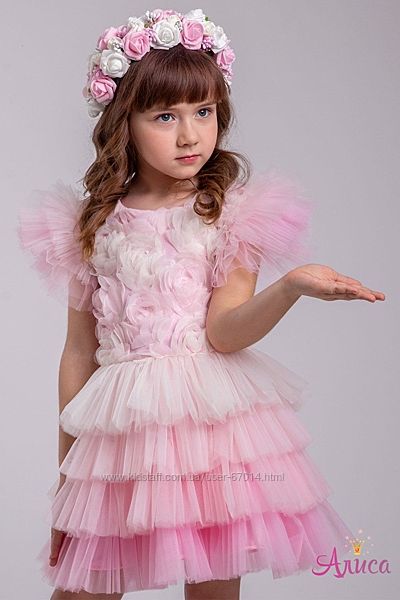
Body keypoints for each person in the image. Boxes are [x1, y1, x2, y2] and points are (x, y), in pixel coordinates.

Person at [16, 8, 385, 600]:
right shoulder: (93, 223)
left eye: (204, 112)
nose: (190, 135)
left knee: (213, 588)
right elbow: (78, 352)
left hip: (210, 435)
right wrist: (67, 478)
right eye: (165, 115)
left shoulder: (230, 216)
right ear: (124, 121)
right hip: (122, 438)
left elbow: (224, 333)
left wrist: (290, 286)